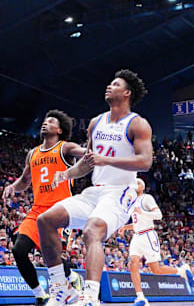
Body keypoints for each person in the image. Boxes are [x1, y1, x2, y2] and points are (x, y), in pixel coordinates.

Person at [38, 69, 153, 306]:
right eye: (109, 83)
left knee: (93, 231)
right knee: (45, 220)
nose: (109, 86)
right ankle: (62, 289)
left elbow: (145, 162)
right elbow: (88, 163)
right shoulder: (95, 123)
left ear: (127, 93)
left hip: (121, 190)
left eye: (115, 84)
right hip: (95, 190)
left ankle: (90, 297)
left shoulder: (138, 124)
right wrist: (67, 173)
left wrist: (107, 160)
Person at [1, 110, 86, 305]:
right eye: (45, 121)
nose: (45, 124)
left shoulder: (65, 148)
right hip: (37, 210)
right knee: (19, 250)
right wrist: (13, 187)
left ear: (60, 129)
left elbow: (85, 153)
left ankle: (72, 277)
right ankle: (40, 294)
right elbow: (24, 181)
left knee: (51, 258)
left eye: (51, 121)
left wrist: (94, 143)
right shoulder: (33, 153)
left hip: (60, 211)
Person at [118, 178, 194, 306]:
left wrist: (142, 212)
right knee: (132, 263)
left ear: (143, 187)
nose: (135, 185)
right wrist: (126, 227)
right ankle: (140, 297)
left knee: (156, 269)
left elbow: (158, 215)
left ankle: (181, 271)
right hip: (137, 236)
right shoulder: (132, 202)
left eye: (138, 183)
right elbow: (138, 222)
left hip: (148, 235)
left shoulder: (146, 198)